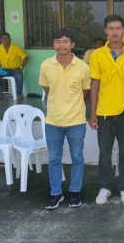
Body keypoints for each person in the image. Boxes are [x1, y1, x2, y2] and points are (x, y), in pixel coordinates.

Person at [89, 14, 124, 205]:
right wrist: (92, 113)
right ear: (105, 31)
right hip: (103, 110)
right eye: (111, 28)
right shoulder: (97, 55)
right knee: (105, 151)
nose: (115, 32)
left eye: (118, 28)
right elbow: (95, 83)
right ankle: (105, 187)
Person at [39, 28, 91, 210]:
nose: (62, 45)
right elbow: (48, 90)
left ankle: (75, 192)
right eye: (58, 41)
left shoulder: (83, 67)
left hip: (76, 121)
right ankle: (56, 193)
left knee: (77, 157)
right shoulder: (46, 65)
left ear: (73, 44)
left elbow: (85, 93)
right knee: (54, 158)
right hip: (53, 121)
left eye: (65, 41)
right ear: (53, 44)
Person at [0, 32, 29, 101]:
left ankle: (19, 94)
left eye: (8, 39)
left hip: (15, 70)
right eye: (4, 39)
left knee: (19, 75)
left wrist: (21, 67)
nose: (7, 40)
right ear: (1, 40)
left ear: (10, 39)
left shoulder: (16, 48)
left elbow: (26, 57)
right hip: (3, 70)